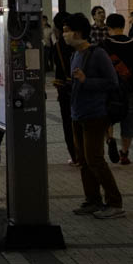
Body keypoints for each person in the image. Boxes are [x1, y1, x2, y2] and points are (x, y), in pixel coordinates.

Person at [64, 13, 125, 219]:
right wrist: (69, 85)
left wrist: (85, 81)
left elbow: (112, 82)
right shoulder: (74, 55)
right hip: (77, 114)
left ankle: (115, 202)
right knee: (83, 159)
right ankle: (92, 199)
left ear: (78, 33)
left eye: (66, 31)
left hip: (95, 114)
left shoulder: (97, 54)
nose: (64, 35)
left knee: (95, 159)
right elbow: (78, 83)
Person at [101, 14, 133, 165]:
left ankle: (110, 139)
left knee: (107, 118)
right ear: (124, 25)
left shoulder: (105, 44)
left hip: (110, 90)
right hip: (129, 88)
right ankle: (124, 153)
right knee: (129, 121)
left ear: (108, 27)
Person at [51, 12, 78, 165]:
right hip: (82, 89)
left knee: (68, 123)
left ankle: (75, 155)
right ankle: (85, 154)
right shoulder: (82, 44)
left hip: (65, 88)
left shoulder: (59, 45)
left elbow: (58, 70)